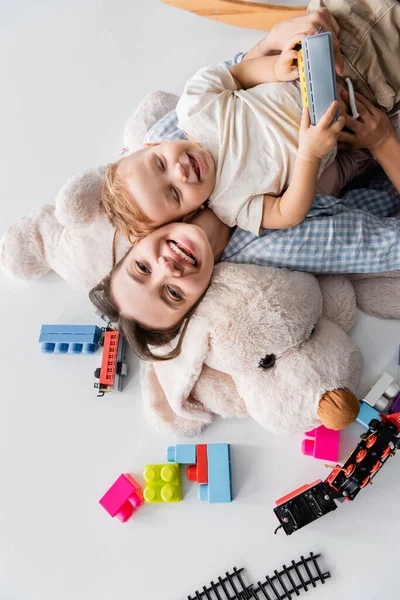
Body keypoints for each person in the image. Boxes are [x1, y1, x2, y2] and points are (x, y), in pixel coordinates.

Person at [102, 1, 400, 240]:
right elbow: (287, 213)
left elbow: (237, 74)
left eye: (160, 164)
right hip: (367, 94)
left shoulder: (194, 109)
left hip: (320, 48)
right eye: (174, 193)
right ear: (188, 214)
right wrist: (310, 154)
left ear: (156, 143)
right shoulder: (231, 205)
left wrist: (275, 69)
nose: (180, 171)